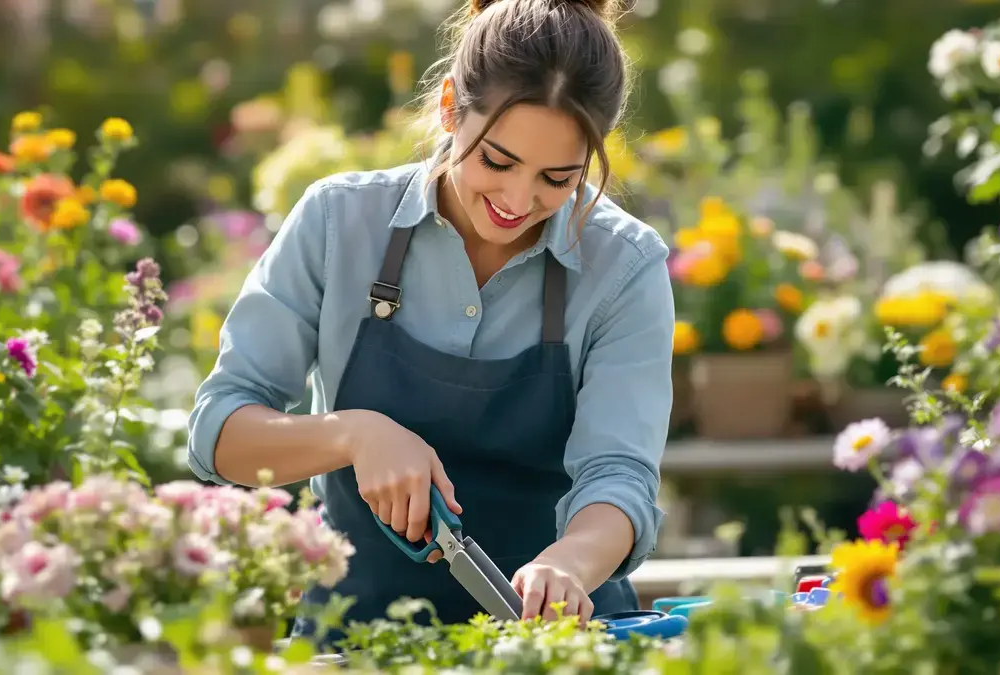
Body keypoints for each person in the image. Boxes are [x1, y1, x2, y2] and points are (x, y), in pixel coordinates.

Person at [186, 0, 675, 643]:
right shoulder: (339, 222)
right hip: (358, 641)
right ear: (450, 107)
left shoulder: (624, 265)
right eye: (496, 162)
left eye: (558, 178)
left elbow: (621, 474)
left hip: (555, 647)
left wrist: (570, 564)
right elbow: (219, 433)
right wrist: (354, 435)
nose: (518, 201)